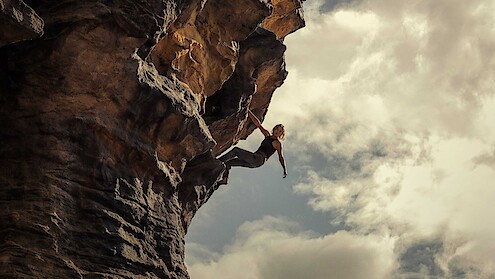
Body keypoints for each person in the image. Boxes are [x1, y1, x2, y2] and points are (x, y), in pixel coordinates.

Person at [218, 109, 288, 184]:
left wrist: (284, 169)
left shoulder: (277, 143)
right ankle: (225, 179)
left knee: (236, 151)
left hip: (259, 159)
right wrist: (248, 111)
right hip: (254, 160)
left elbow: (280, 156)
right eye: (277, 129)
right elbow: (258, 124)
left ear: (281, 134)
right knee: (228, 163)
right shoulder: (267, 135)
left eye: (280, 131)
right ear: (274, 129)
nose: (277, 131)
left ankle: (217, 161)